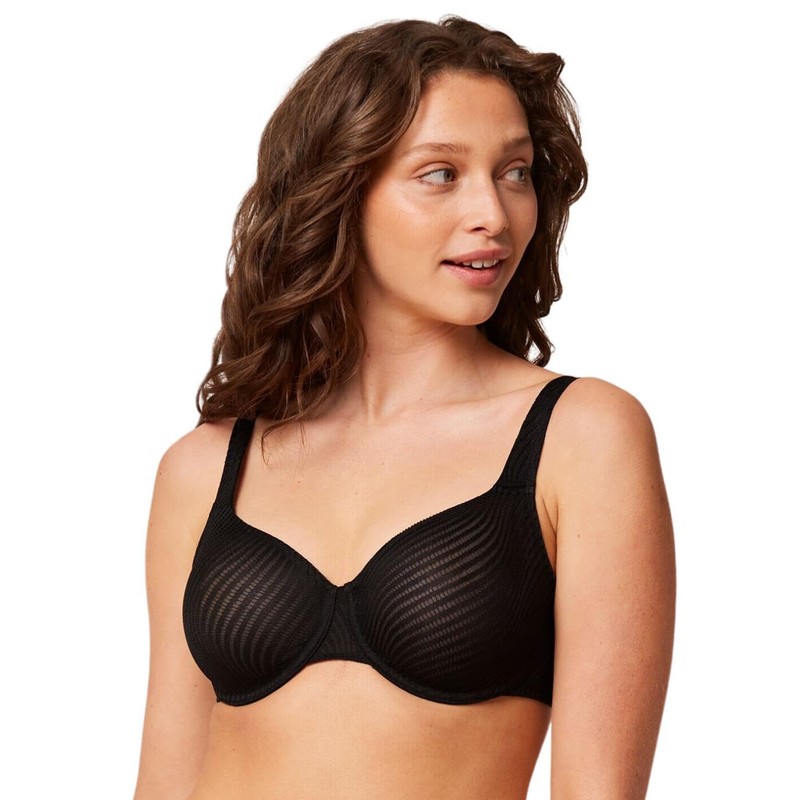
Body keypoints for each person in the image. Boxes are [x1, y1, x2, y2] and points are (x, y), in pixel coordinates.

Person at [133, 16, 675, 800]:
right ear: (341, 190)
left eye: (515, 171)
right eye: (441, 174)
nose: (494, 212)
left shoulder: (581, 438)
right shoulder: (206, 467)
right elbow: (166, 780)